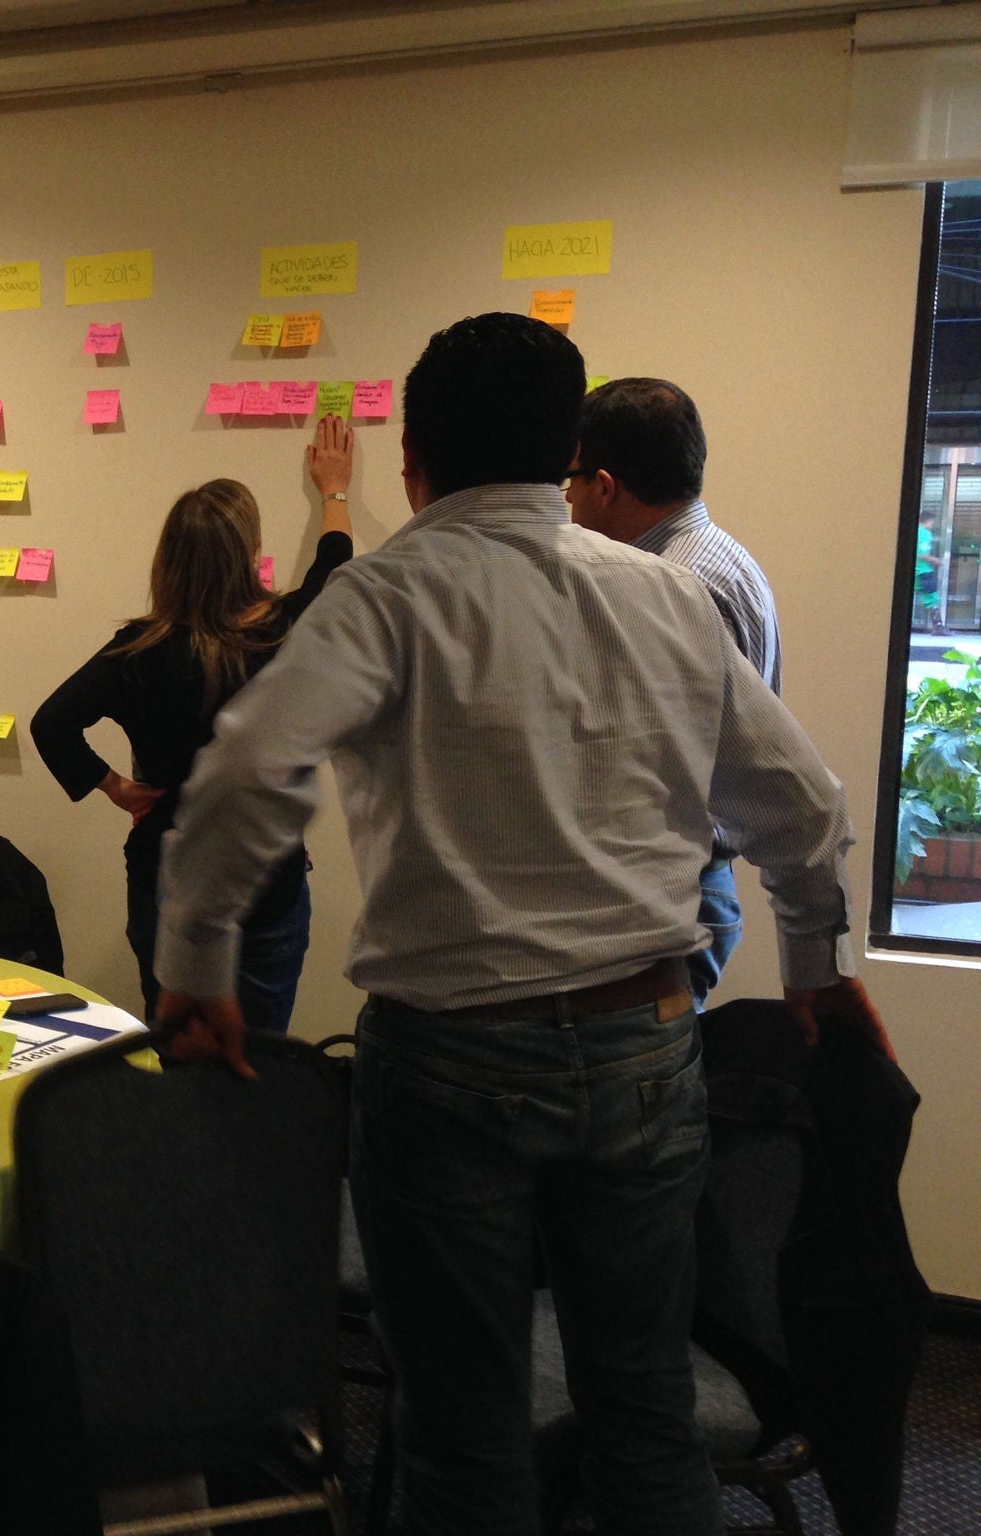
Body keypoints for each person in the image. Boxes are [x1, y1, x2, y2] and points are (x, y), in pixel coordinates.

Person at [153, 311, 889, 1536]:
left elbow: (243, 776)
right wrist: (809, 960)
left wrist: (196, 962)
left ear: (410, 461)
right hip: (645, 1046)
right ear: (566, 460)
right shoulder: (662, 598)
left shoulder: (386, 595)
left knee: (460, 1425)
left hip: (447, 1068)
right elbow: (800, 805)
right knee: (645, 1410)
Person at [32, 415, 357, 1031]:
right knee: (258, 1055)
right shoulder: (280, 634)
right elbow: (334, 570)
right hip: (266, 871)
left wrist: (115, 788)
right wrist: (334, 493)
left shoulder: (136, 649)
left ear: (169, 559)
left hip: (167, 869)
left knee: (179, 1048)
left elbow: (52, 724)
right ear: (250, 553)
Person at [567, 377, 781, 1006]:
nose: (568, 504)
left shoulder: (672, 584)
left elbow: (654, 764)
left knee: (641, 1095)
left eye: (570, 484)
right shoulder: (720, 556)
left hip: (672, 895)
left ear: (604, 487)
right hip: (689, 887)